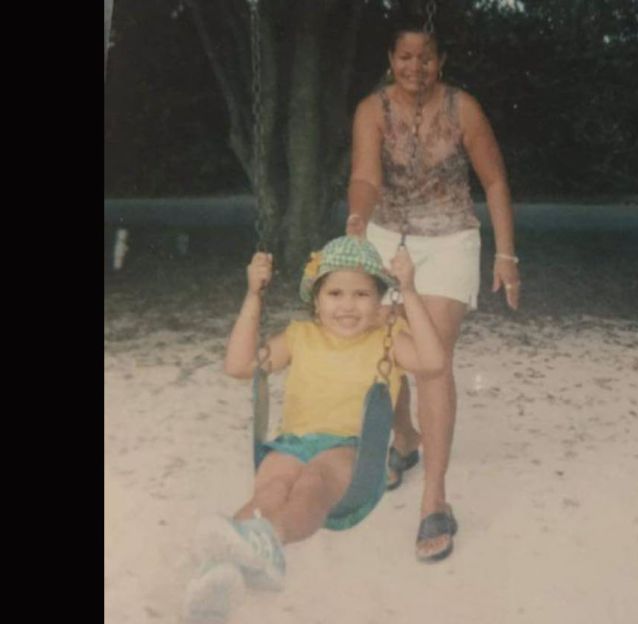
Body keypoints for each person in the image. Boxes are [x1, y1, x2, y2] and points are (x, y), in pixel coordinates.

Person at [183, 236, 446, 622]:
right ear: (317, 301)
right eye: (335, 293)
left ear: (379, 302)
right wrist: (254, 296)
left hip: (350, 453)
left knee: (313, 482)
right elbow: (239, 366)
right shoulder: (298, 337)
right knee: (271, 488)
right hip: (292, 444)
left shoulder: (387, 342)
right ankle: (220, 578)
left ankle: (270, 542)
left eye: (361, 294)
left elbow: (433, 361)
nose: (347, 305)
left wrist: (408, 289)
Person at [345, 20, 520, 562]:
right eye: (404, 58)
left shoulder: (462, 108)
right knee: (384, 354)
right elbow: (367, 177)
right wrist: (357, 216)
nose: (414, 68)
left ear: (439, 62)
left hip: (448, 240)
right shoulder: (372, 110)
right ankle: (404, 439)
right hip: (387, 234)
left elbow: (493, 181)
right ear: (391, 58)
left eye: (425, 58)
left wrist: (507, 255)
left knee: (432, 360)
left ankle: (434, 501)